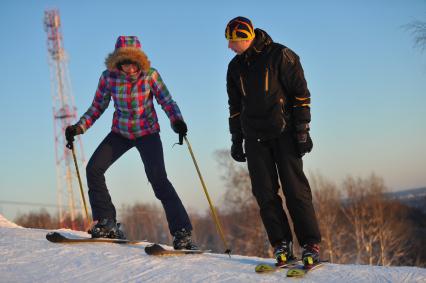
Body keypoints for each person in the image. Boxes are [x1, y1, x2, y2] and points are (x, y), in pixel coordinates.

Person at [65, 35, 198, 250]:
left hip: (147, 132)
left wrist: (177, 122)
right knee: (94, 169)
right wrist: (78, 127)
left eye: (132, 63)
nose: (128, 68)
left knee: (159, 180)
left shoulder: (150, 75)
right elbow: (97, 106)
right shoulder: (108, 77)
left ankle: (182, 233)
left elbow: (167, 101)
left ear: (139, 62)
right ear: (117, 62)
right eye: (123, 63)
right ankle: (107, 222)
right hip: (121, 132)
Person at [224, 17, 321, 267]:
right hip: (254, 138)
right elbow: (235, 107)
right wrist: (236, 138)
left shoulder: (281, 55)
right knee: (264, 194)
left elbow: (300, 94)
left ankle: (310, 243)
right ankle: (281, 244)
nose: (229, 46)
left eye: (232, 41)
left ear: (246, 37)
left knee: (295, 190)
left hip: (285, 132)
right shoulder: (234, 68)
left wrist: (302, 129)